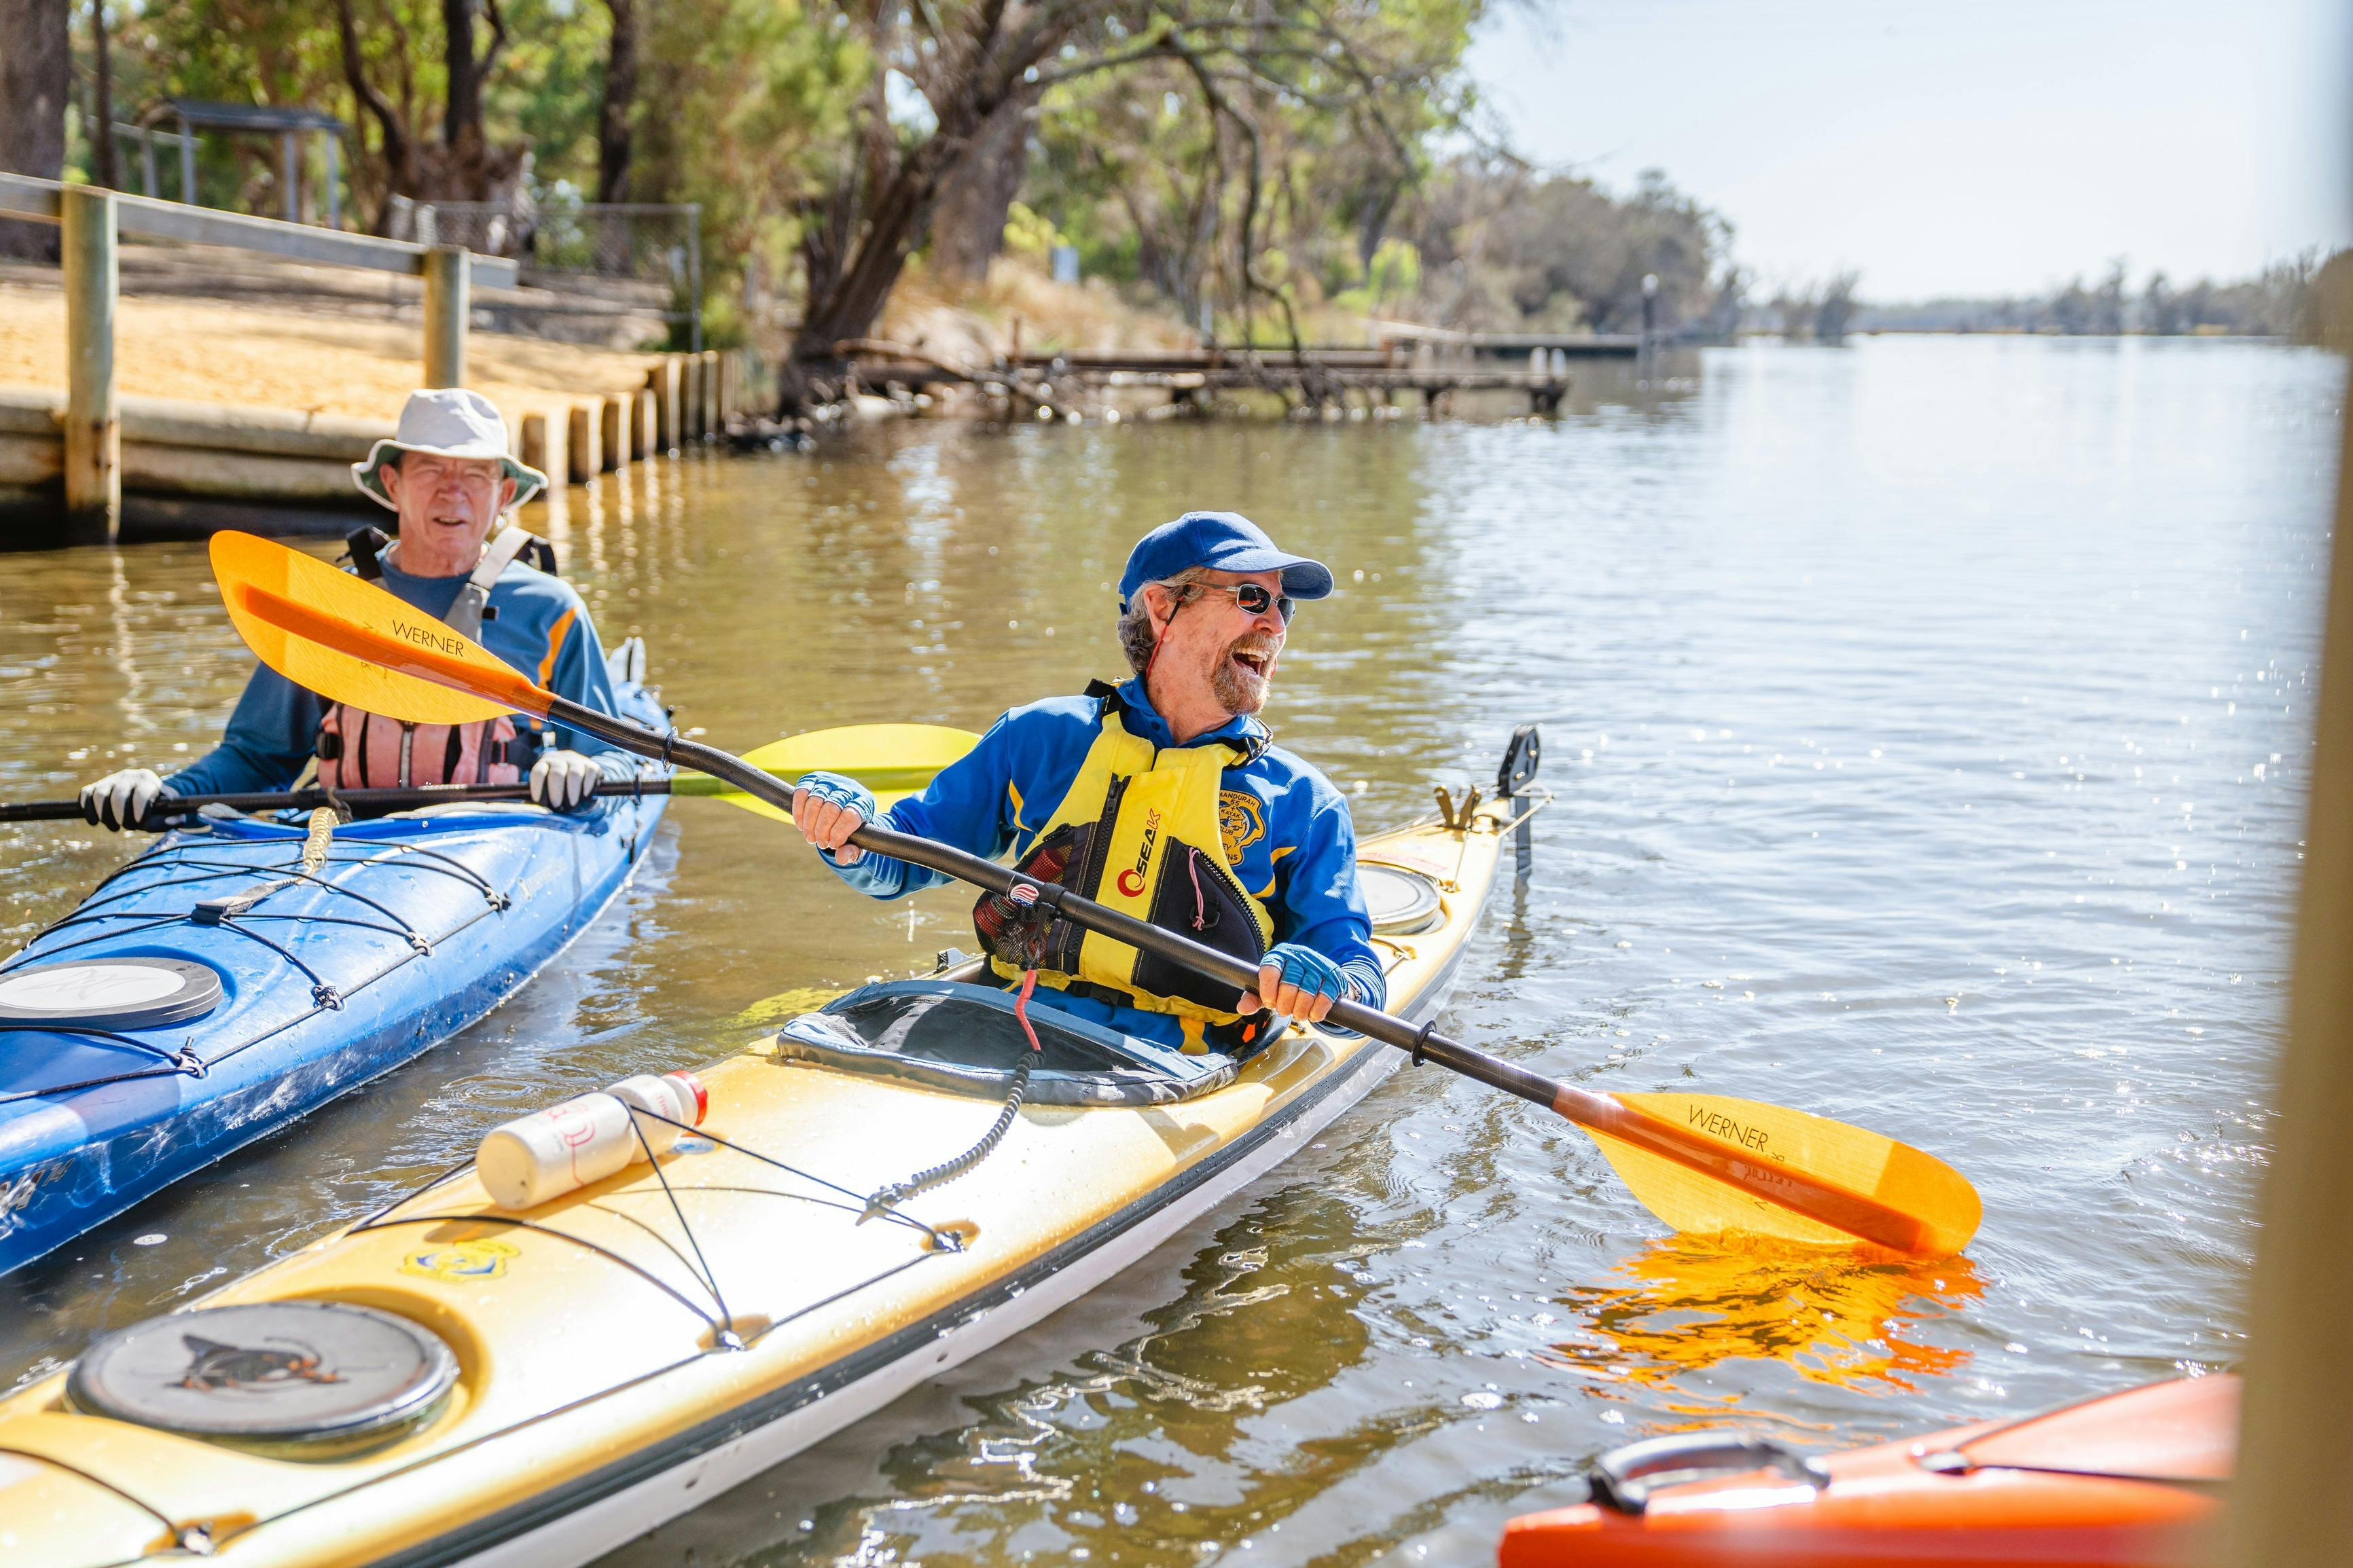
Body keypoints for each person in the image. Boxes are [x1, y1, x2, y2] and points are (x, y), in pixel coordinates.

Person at [793, 510, 1384, 1053]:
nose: (1274, 624)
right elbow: (899, 856)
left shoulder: (1305, 804)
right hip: (1007, 1029)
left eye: (1285, 608)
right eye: (1253, 597)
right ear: (1162, 607)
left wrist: (1326, 983)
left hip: (1177, 1069)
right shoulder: (1042, 736)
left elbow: (1359, 980)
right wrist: (848, 829)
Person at [79, 388, 636, 828]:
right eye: (431, 471)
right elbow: (256, 759)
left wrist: (579, 767)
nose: (453, 493)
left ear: (504, 496)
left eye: (475, 475)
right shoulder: (327, 609)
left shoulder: (552, 609)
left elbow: (615, 763)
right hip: (345, 839)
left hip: (492, 841)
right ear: (392, 484)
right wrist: (167, 792)